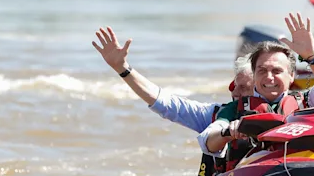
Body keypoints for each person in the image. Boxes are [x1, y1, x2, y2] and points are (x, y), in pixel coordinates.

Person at [198, 13, 314, 166]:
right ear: (254, 76)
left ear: (291, 75)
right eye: (262, 71)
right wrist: (227, 132)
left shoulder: (307, 103)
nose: (269, 77)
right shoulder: (233, 110)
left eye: (276, 71)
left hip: (298, 171)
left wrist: (311, 56)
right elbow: (207, 142)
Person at [93, 26, 253, 133]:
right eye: (234, 86)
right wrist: (122, 68)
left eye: (244, 87)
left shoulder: (278, 114)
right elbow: (166, 103)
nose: (235, 93)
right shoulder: (213, 116)